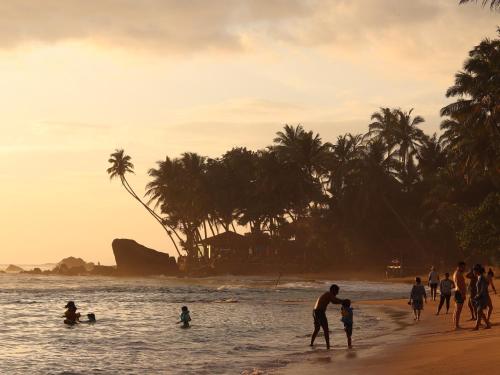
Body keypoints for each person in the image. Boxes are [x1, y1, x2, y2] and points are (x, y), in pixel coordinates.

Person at [310, 284, 344, 349]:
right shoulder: (329, 294)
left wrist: (342, 301)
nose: (337, 293)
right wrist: (343, 301)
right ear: (333, 290)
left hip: (315, 311)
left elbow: (334, 300)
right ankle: (328, 346)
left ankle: (311, 343)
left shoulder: (326, 294)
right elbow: (334, 301)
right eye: (337, 291)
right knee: (326, 329)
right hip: (320, 312)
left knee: (317, 329)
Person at [473, 264, 491, 330]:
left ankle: (477, 327)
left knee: (479, 311)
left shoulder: (482, 278)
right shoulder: (479, 277)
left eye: (474, 271)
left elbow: (483, 289)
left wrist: (478, 296)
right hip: (480, 296)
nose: (473, 272)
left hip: (483, 297)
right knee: (479, 311)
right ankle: (487, 325)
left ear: (477, 271)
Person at [453, 261, 467, 329]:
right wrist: (462, 294)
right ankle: (456, 325)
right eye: (463, 267)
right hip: (459, 293)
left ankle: (456, 324)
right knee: (458, 310)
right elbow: (458, 285)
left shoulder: (457, 273)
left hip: (458, 293)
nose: (464, 269)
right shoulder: (458, 274)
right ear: (459, 267)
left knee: (457, 309)